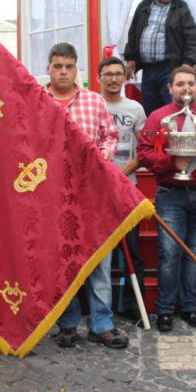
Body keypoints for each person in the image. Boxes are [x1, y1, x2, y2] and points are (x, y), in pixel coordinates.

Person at [43, 44, 126, 349]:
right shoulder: (36, 102)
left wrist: (104, 153)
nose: (63, 71)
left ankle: (101, 324)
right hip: (51, 198)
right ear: (49, 68)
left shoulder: (95, 101)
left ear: (76, 68)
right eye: (57, 66)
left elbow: (110, 135)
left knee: (98, 260)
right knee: (60, 262)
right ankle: (67, 324)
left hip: (92, 196)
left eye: (68, 66)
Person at [137, 66, 196, 333]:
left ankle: (189, 307)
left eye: (190, 83)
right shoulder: (158, 117)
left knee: (194, 253)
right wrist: (170, 161)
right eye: (180, 84)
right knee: (169, 255)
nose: (186, 88)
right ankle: (165, 310)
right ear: (170, 88)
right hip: (171, 194)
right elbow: (144, 152)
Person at [98, 56, 147, 322]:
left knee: (132, 252)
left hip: (128, 188)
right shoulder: (91, 105)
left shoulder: (135, 108)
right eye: (108, 74)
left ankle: (133, 306)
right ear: (99, 78)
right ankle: (93, 306)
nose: (114, 79)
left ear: (125, 78)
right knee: (97, 252)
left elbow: (146, 148)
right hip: (97, 191)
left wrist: (128, 168)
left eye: (118, 74)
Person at [124, 0, 196, 117]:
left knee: (171, 109)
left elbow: (193, 38)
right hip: (147, 69)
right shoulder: (144, 6)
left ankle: (172, 139)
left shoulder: (181, 8)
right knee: (149, 110)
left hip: (170, 67)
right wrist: (131, 58)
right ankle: (153, 139)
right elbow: (133, 33)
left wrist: (188, 62)